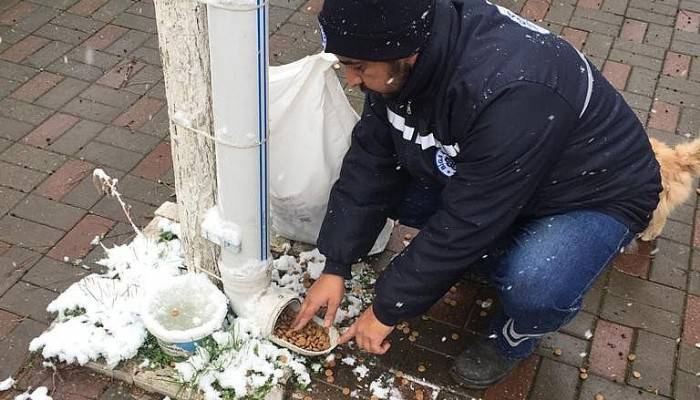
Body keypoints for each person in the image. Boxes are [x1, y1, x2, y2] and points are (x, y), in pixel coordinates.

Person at [291, 0, 662, 388]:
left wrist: (386, 309)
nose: (351, 80)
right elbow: (372, 161)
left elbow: (468, 219)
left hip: (593, 192)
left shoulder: (513, 92)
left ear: (406, 53)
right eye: (346, 64)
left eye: (359, 67)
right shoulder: (397, 52)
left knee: (535, 284)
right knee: (402, 193)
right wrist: (337, 264)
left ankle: (515, 335)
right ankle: (498, 252)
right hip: (508, 177)